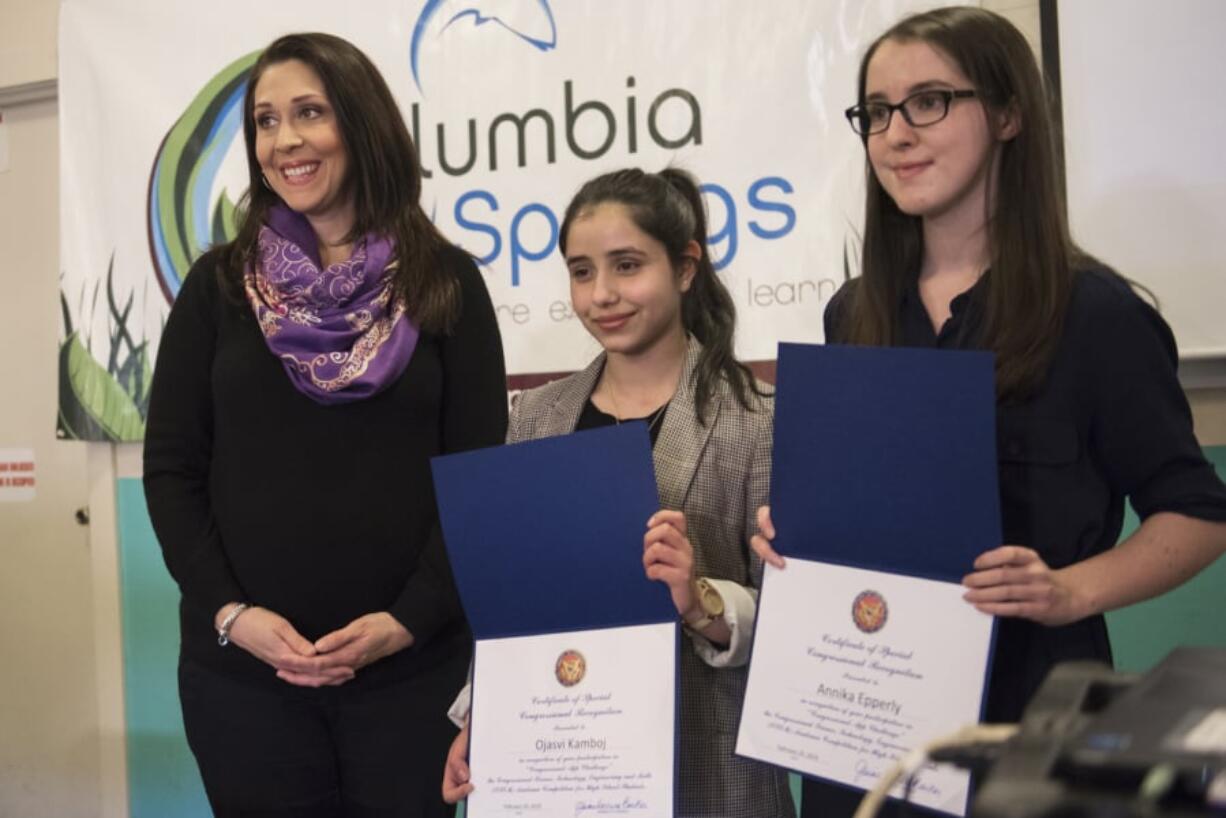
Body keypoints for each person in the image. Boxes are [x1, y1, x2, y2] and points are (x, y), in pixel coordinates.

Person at [752, 6, 1226, 816]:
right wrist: (793, 534)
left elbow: (1199, 515)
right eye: (877, 112)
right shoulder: (852, 313)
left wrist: (1071, 591)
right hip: (868, 723)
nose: (896, 133)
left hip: (1023, 726)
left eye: (929, 101)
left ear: (1008, 115)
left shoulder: (1096, 316)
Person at [143, 32, 507, 817]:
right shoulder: (217, 290)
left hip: (413, 677)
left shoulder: (448, 284)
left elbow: (480, 481)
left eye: (309, 112)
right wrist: (232, 614)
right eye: (267, 122)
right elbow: (172, 471)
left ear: (362, 123)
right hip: (245, 684)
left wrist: (408, 622)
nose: (285, 141)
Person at [440, 168, 795, 817]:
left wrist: (700, 598)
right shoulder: (537, 419)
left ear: (685, 267)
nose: (601, 294)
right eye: (581, 271)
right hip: (570, 775)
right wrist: (481, 714)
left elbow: (797, 624)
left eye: (626, 265)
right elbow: (517, 604)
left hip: (713, 777)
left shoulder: (759, 417)